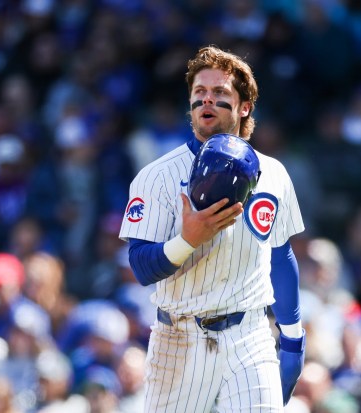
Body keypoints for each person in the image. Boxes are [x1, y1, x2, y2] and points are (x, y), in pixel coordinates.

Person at [119, 45, 305, 411]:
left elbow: (281, 256)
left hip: (249, 334)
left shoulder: (275, 175)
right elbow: (140, 266)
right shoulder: (157, 176)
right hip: (179, 337)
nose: (207, 100)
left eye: (220, 93)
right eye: (199, 93)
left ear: (244, 106)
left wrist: (294, 337)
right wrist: (187, 241)